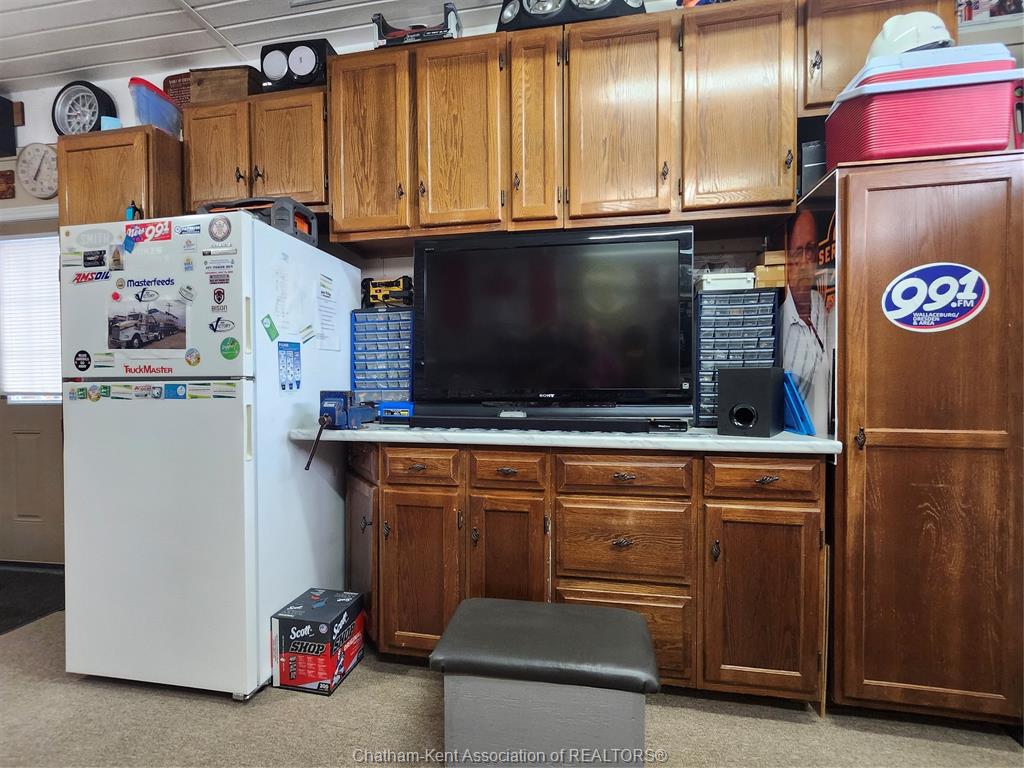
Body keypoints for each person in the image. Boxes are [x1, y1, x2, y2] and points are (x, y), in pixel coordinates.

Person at [781, 209, 833, 434]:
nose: (804, 262)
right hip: (794, 439)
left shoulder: (821, 305)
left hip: (827, 437)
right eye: (797, 252)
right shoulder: (779, 319)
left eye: (810, 250)